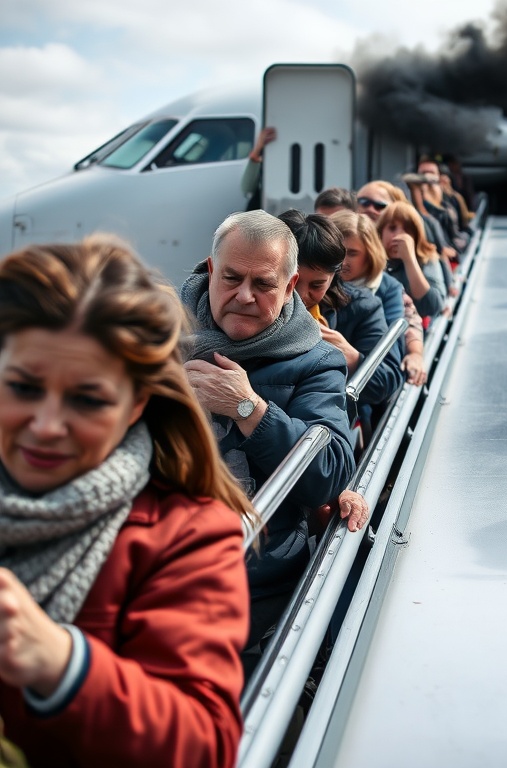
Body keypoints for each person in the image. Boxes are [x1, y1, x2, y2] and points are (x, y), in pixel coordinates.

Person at [0, 236, 251, 766]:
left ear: (138, 402)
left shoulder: (188, 532)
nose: (46, 427)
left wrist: (61, 663)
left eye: (87, 399)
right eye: (22, 388)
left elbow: (204, 743)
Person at [179, 210, 358, 675]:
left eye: (263, 284)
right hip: (149, 566)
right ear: (210, 270)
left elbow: (330, 471)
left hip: (251, 581)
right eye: (232, 278)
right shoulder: (156, 335)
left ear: (291, 285)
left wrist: (247, 409)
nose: (244, 296)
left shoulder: (317, 361)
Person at [278, 210, 403, 417]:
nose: (300, 295)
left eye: (317, 285)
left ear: (334, 277)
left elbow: (386, 381)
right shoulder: (250, 305)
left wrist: (352, 359)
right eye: (290, 282)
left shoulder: (362, 306)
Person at [331, 210, 428, 386]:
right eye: (338, 251)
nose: (342, 261)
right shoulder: (313, 282)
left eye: (352, 253)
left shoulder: (389, 289)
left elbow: (391, 355)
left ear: (370, 254)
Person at [376, 201, 447, 319]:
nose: (398, 235)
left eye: (407, 231)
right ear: (381, 232)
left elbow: (432, 306)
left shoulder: (427, 259)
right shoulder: (371, 261)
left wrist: (410, 259)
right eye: (392, 228)